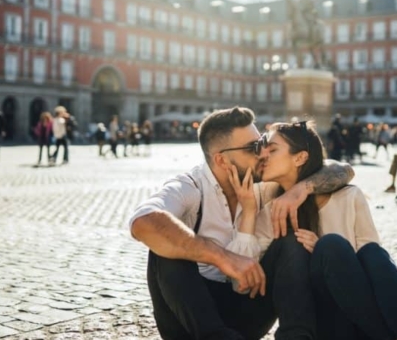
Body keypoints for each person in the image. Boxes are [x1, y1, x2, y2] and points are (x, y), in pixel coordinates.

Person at [128, 107, 354, 340]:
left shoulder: (260, 185)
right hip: (191, 321)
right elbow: (143, 221)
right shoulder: (191, 187)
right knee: (165, 247)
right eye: (253, 148)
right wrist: (222, 257)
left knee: (292, 242)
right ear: (222, 159)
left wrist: (301, 188)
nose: (263, 153)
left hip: (245, 313)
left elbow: (343, 170)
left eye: (263, 143)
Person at [227, 121, 397, 340]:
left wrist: (323, 253)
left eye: (273, 149)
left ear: (300, 157)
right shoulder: (270, 207)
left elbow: (372, 273)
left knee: (369, 253)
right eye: (263, 147)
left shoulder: (349, 197)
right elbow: (241, 284)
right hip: (322, 325)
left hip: (357, 317)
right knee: (331, 246)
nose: (263, 154)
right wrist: (248, 212)